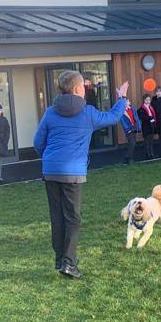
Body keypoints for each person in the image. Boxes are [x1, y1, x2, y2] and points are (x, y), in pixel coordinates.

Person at [33, 70, 128, 279]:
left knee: (57, 217)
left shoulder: (50, 112)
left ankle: (60, 260)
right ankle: (68, 263)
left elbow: (38, 143)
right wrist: (122, 99)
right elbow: (113, 117)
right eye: (84, 87)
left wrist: (50, 158)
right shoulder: (88, 113)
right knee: (73, 218)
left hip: (50, 171)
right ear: (77, 89)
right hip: (72, 173)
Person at [119, 97, 141, 165]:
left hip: (134, 128)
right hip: (129, 129)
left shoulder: (132, 109)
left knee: (132, 143)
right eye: (124, 102)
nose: (126, 103)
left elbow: (136, 118)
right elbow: (123, 122)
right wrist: (127, 129)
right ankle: (128, 158)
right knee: (132, 143)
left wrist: (139, 127)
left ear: (129, 102)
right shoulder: (122, 112)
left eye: (127, 101)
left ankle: (129, 157)